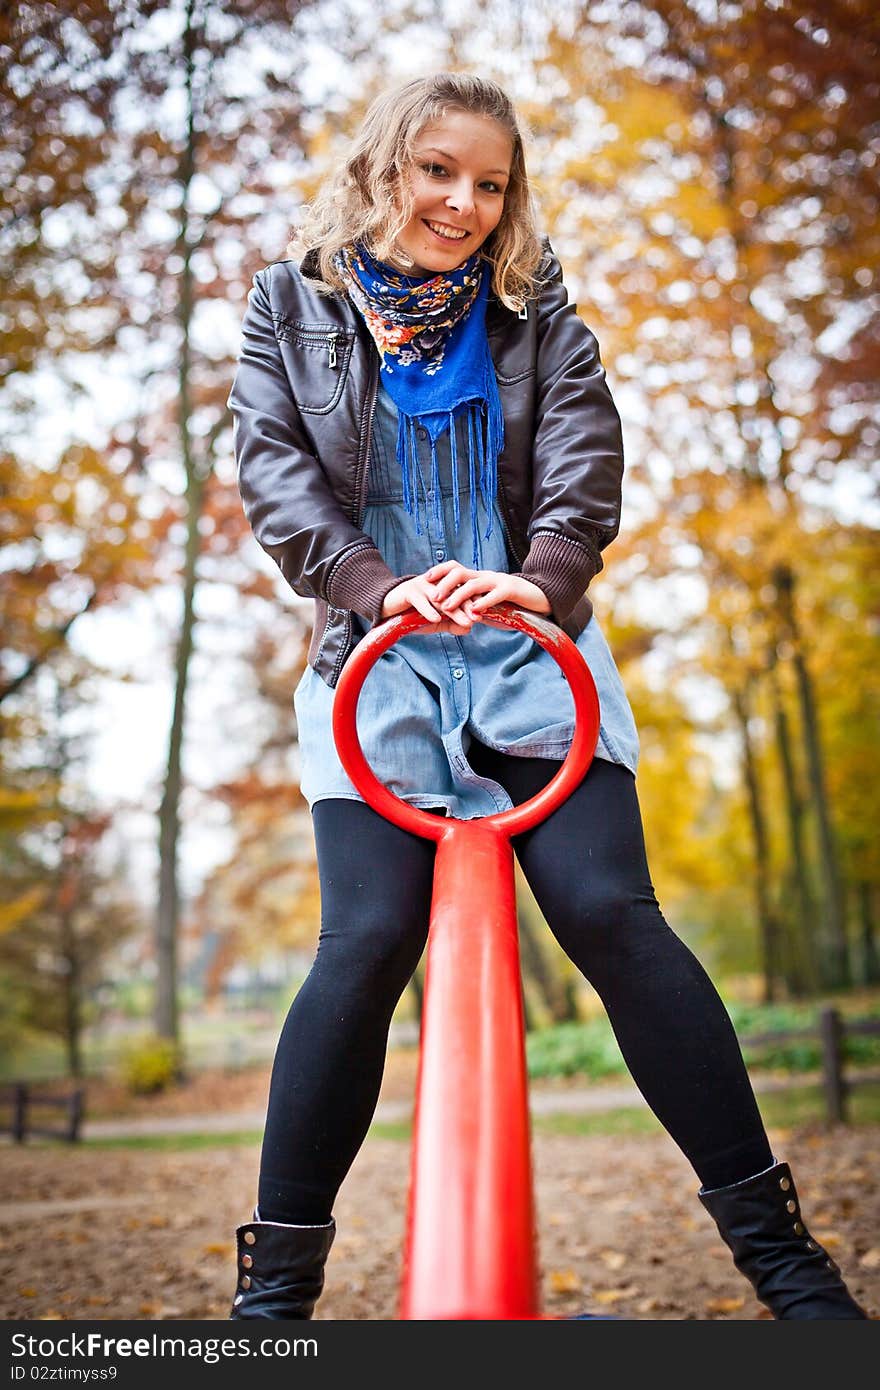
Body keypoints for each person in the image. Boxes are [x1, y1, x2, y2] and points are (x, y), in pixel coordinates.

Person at [226, 71, 867, 1321]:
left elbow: (584, 465)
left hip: (531, 647)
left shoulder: (541, 321)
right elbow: (274, 473)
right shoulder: (286, 307)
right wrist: (375, 587)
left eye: (490, 183)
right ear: (383, 165)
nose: (463, 202)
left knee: (610, 913)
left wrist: (535, 581)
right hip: (373, 660)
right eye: (437, 171)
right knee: (363, 945)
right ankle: (273, 1301)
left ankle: (791, 1274)